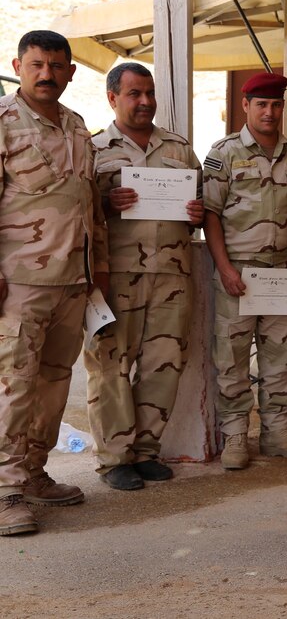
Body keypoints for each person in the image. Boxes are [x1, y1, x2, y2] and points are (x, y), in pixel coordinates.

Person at [0, 30, 108, 536]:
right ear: (18, 65)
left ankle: (36, 473)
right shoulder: (3, 122)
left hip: (73, 282)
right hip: (20, 282)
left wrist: (97, 270)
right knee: (13, 387)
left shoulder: (77, 125)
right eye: (37, 64)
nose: (47, 74)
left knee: (53, 382)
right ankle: (5, 490)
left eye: (56, 66)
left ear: (70, 72)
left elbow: (90, 205)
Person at [84, 63, 204, 490]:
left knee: (164, 362)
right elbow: (79, 211)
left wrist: (196, 213)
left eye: (150, 93)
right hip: (116, 274)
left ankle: (146, 450)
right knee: (111, 365)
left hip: (172, 273)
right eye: (135, 93)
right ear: (113, 98)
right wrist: (105, 202)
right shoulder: (94, 148)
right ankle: (115, 457)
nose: (146, 102)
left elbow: (199, 207)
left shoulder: (179, 149)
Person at [202, 72, 287, 470]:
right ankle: (236, 434)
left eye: (275, 105)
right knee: (232, 356)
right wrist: (224, 268)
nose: (269, 112)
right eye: (261, 105)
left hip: (282, 273)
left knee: (282, 356)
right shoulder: (225, 154)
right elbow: (211, 216)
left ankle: (276, 431)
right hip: (237, 272)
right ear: (245, 106)